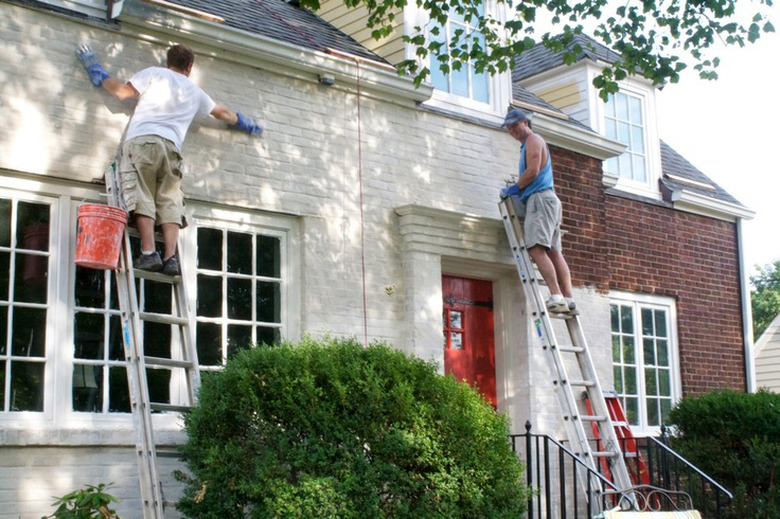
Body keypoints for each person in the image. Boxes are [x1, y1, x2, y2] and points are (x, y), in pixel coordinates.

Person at [76, 43, 262, 275]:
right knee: (169, 199)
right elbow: (223, 114)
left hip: (143, 142)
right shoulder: (195, 91)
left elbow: (122, 93)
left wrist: (96, 70)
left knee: (142, 193)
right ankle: (170, 257)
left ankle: (148, 253)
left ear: (168, 61)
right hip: (172, 149)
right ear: (190, 67)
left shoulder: (155, 74)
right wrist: (245, 124)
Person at [500, 108, 577, 316]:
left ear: (526, 122)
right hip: (549, 200)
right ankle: (569, 299)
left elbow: (533, 171)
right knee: (553, 251)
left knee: (535, 248)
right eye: (509, 128)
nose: (512, 131)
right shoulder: (530, 143)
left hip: (540, 199)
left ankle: (556, 296)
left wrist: (514, 189)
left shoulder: (533, 140)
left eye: (515, 126)